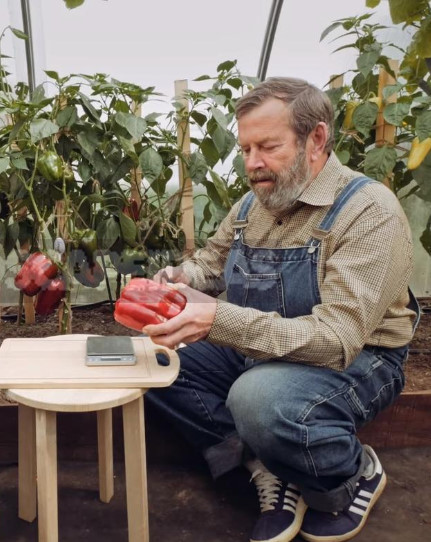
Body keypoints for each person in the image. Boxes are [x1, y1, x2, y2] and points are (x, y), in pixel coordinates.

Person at [141, 78, 420, 542]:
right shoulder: (256, 202)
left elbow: (337, 338)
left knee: (258, 399)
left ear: (316, 139)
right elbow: (212, 261)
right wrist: (179, 279)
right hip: (263, 352)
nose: (252, 164)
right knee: (153, 361)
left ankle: (347, 478)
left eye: (267, 147)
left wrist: (217, 319)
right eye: (245, 148)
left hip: (359, 360)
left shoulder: (369, 210)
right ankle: (268, 464)